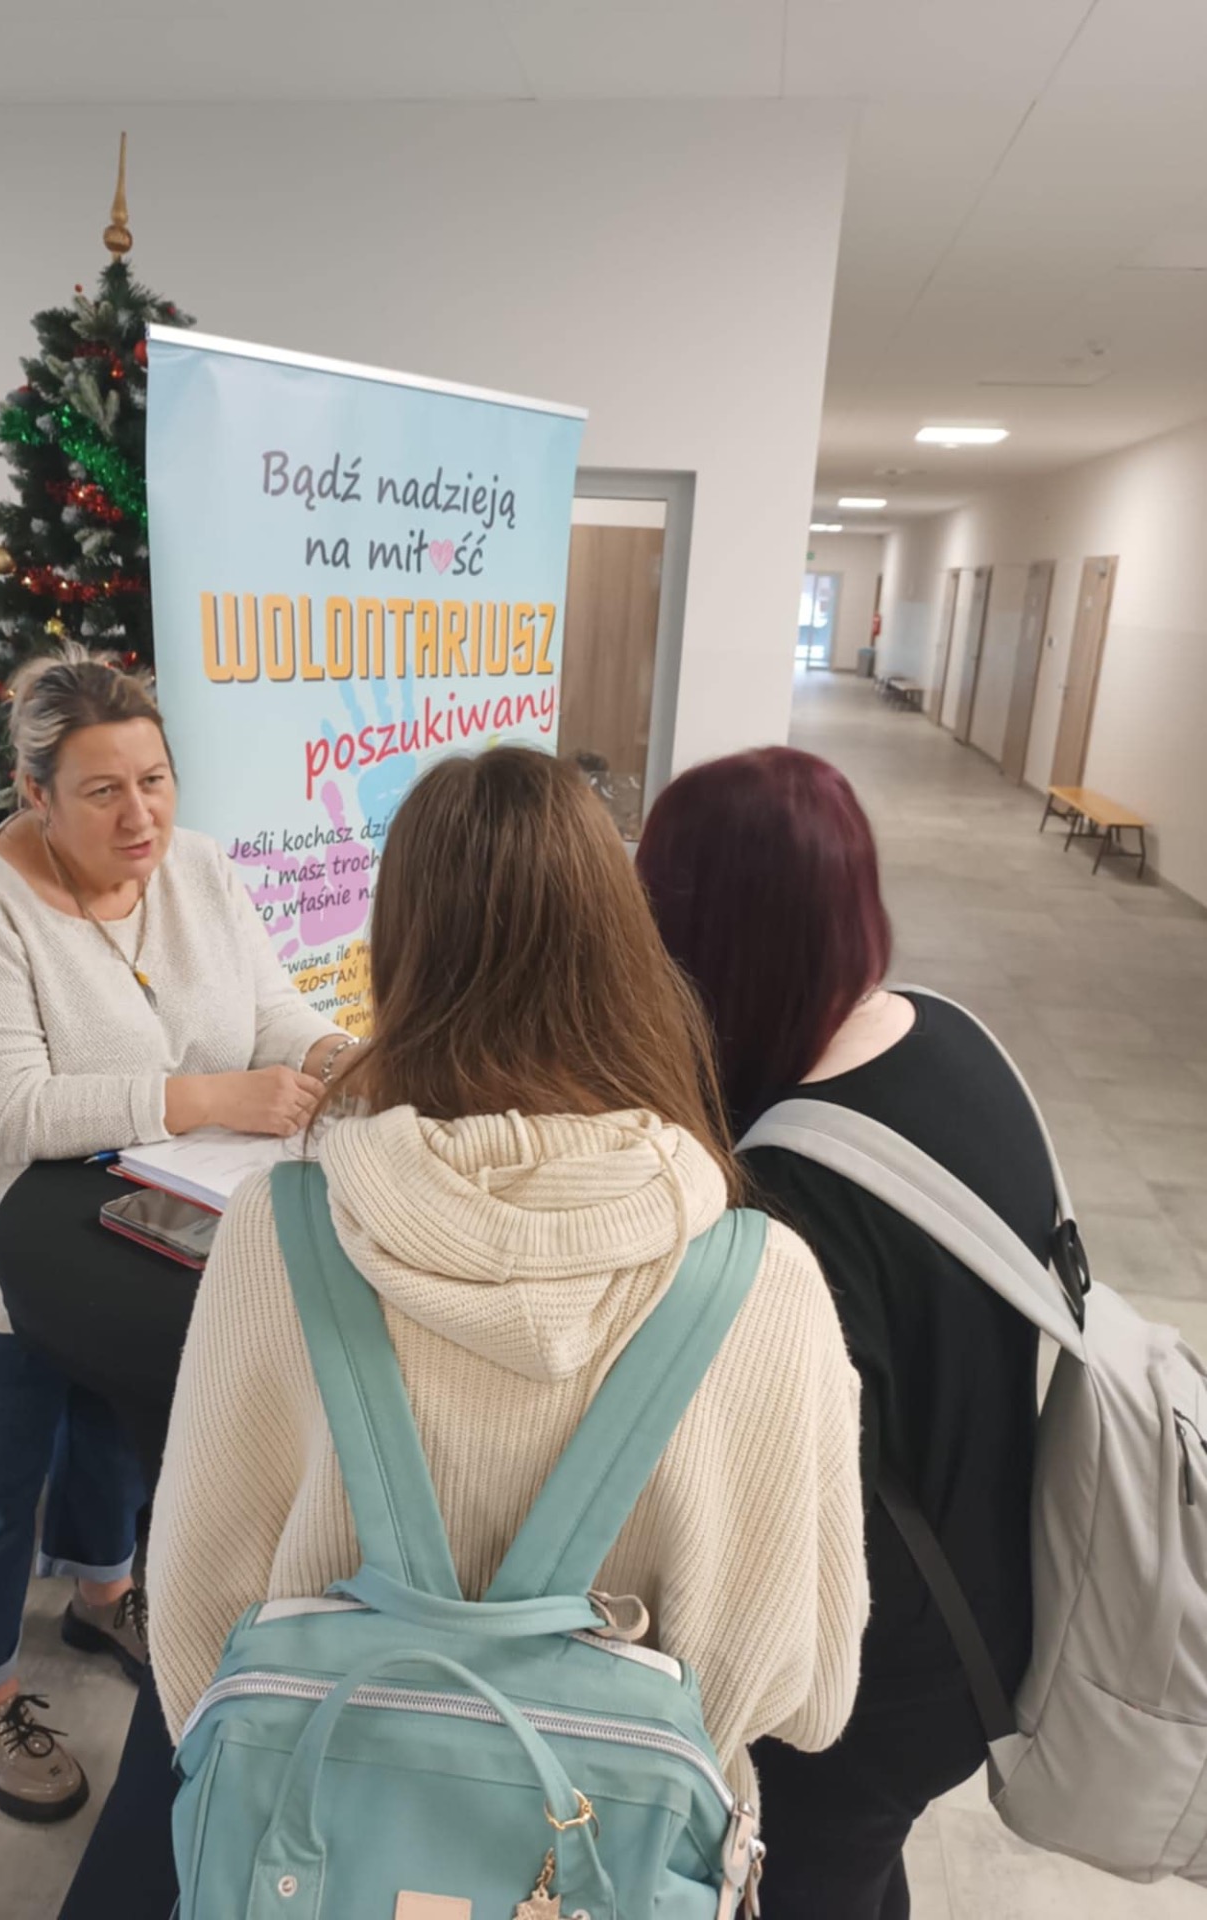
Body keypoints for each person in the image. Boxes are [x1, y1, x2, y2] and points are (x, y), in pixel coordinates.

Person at [147, 744, 869, 1830]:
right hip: (622, 1866)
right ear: (628, 952)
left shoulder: (274, 1238)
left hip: (319, 1849)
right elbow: (816, 1700)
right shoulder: (766, 1283)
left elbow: (191, 1640)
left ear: (398, 954)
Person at [0, 647, 350, 1823]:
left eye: (154, 780)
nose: (141, 816)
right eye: (102, 791)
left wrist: (333, 1054)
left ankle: (99, 1598)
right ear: (35, 795)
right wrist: (207, 1098)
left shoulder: (199, 870)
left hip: (134, 1227)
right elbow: (7, 1110)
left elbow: (270, 1009)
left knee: (113, 1439)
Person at [638, 746, 1047, 1920]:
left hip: (879, 1680)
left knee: (804, 1875)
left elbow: (788, 1512)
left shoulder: (792, 1191)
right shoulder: (952, 1038)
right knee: (860, 1862)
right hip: (989, 1596)